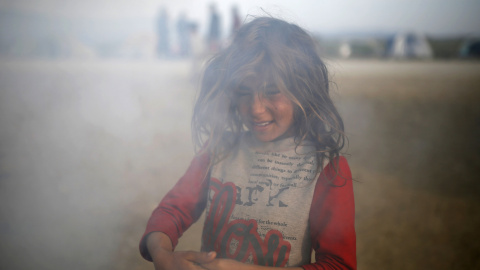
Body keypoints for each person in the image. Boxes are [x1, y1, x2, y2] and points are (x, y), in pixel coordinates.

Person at [139, 17, 356, 270]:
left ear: (304, 90)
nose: (255, 108)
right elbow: (172, 210)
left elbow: (339, 265)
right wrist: (162, 254)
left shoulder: (326, 167)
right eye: (244, 92)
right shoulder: (219, 150)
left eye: (273, 91)